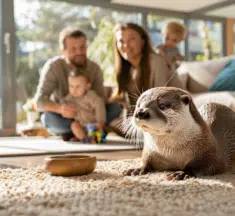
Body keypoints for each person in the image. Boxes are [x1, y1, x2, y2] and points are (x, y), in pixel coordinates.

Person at [34, 27, 121, 138]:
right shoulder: (53, 67)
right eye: (73, 49)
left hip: (91, 115)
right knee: (47, 118)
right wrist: (60, 109)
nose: (79, 52)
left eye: (82, 47)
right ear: (63, 51)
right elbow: (39, 101)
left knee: (115, 108)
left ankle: (84, 131)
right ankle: (78, 131)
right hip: (65, 118)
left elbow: (100, 99)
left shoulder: (94, 68)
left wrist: (92, 115)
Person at [111, 22, 184, 108]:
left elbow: (161, 99)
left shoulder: (156, 61)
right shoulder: (128, 69)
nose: (126, 45)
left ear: (143, 41)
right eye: (121, 41)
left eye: (131, 39)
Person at [61, 71, 106, 141]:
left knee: (98, 129)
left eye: (78, 86)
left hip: (93, 123)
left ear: (87, 86)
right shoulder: (70, 97)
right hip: (81, 124)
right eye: (71, 86)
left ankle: (95, 137)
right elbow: (63, 103)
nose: (74, 90)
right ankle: (84, 138)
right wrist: (63, 106)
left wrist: (100, 122)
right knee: (74, 125)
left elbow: (99, 105)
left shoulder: (91, 96)